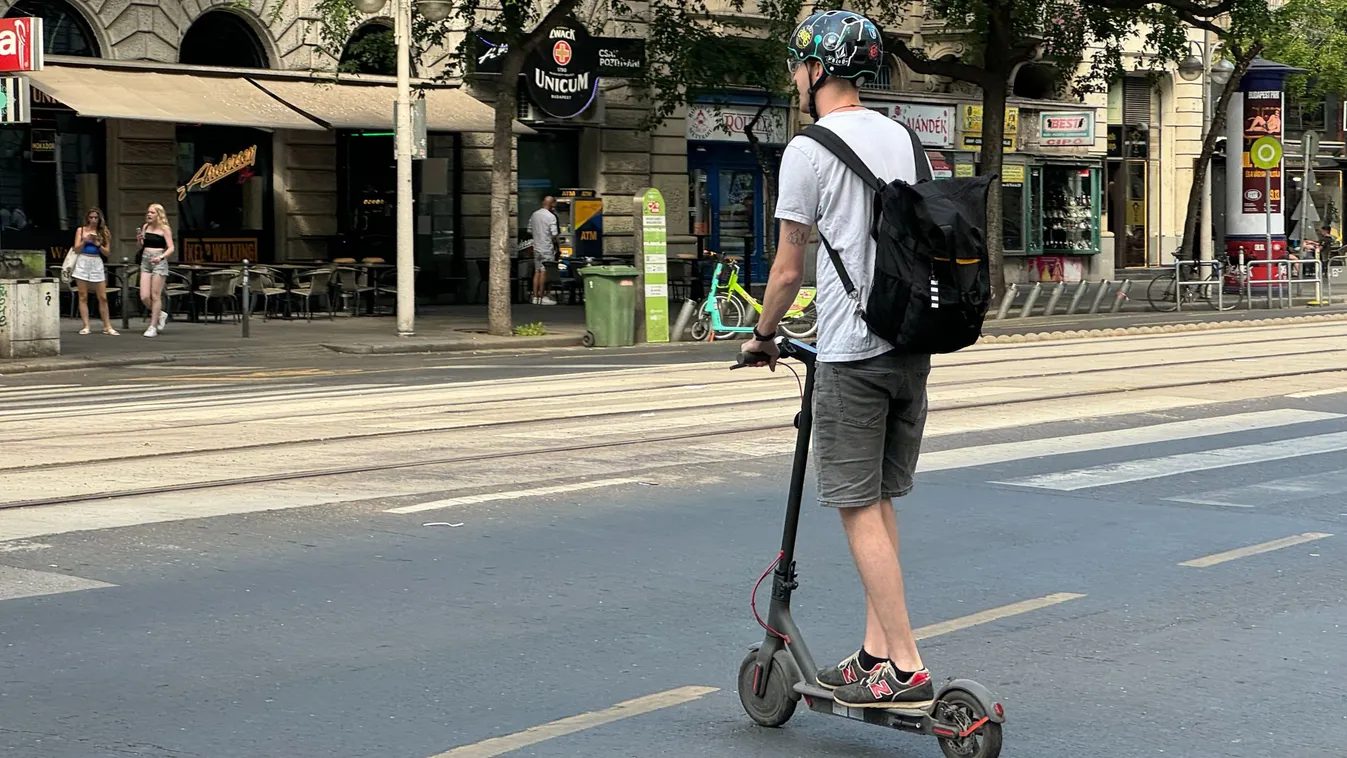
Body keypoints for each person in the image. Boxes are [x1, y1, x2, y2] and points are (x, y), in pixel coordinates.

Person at [740, 10, 937, 711]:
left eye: (798, 65)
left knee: (855, 506)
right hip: (912, 345)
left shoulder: (808, 149)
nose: (795, 77)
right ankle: (875, 657)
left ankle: (906, 665)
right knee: (879, 503)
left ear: (818, 69)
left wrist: (762, 335)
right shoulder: (905, 138)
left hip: (853, 353)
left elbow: (789, 268)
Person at [71, 207, 118, 336]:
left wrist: (98, 243)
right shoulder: (81, 230)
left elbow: (107, 252)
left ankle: (107, 326)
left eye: (95, 218)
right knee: (83, 295)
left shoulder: (104, 232)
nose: (93, 220)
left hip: (96, 261)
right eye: (91, 217)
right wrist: (84, 241)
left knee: (102, 297)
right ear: (87, 218)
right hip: (83, 261)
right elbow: (76, 249)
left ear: (99, 219)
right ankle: (86, 325)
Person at [137, 203, 175, 338]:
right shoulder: (145, 227)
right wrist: (139, 240)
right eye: (148, 212)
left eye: (152, 213)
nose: (149, 215)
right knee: (144, 296)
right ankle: (160, 314)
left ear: (159, 214)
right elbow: (143, 245)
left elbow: (171, 247)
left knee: (155, 295)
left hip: (158, 260)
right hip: (146, 260)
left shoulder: (164, 229)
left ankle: (152, 326)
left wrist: (161, 256)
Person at [529, 196, 559, 305]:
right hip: (547, 247)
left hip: (536, 247)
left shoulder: (534, 215)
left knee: (537, 271)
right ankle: (542, 297)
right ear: (552, 204)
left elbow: (529, 229)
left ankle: (535, 296)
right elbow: (554, 233)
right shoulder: (551, 217)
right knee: (544, 272)